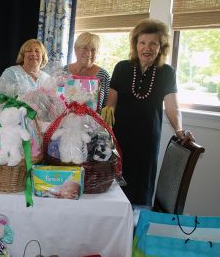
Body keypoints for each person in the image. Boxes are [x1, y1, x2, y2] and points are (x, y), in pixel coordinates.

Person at [105, 18, 195, 206]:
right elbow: (110, 105)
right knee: (115, 187)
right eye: (142, 42)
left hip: (147, 139)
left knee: (141, 187)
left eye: (153, 43)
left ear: (160, 47)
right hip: (120, 139)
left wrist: (179, 130)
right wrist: (105, 130)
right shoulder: (121, 68)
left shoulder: (167, 72)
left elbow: (173, 106)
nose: (147, 48)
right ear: (135, 45)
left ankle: (138, 230)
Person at [64, 32, 111, 112]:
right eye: (84, 48)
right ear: (75, 49)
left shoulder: (103, 75)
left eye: (93, 50)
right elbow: (56, 101)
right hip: (65, 122)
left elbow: (107, 107)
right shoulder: (63, 71)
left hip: (93, 123)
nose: (89, 53)